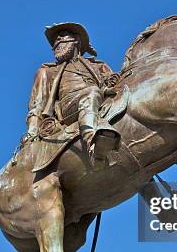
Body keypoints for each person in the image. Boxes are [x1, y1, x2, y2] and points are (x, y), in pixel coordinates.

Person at [26, 22, 120, 160]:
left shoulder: (98, 65)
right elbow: (37, 105)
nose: (57, 41)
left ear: (76, 40)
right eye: (54, 41)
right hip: (69, 108)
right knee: (92, 92)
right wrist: (31, 135)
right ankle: (92, 142)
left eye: (62, 36)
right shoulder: (48, 71)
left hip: (101, 98)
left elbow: (115, 83)